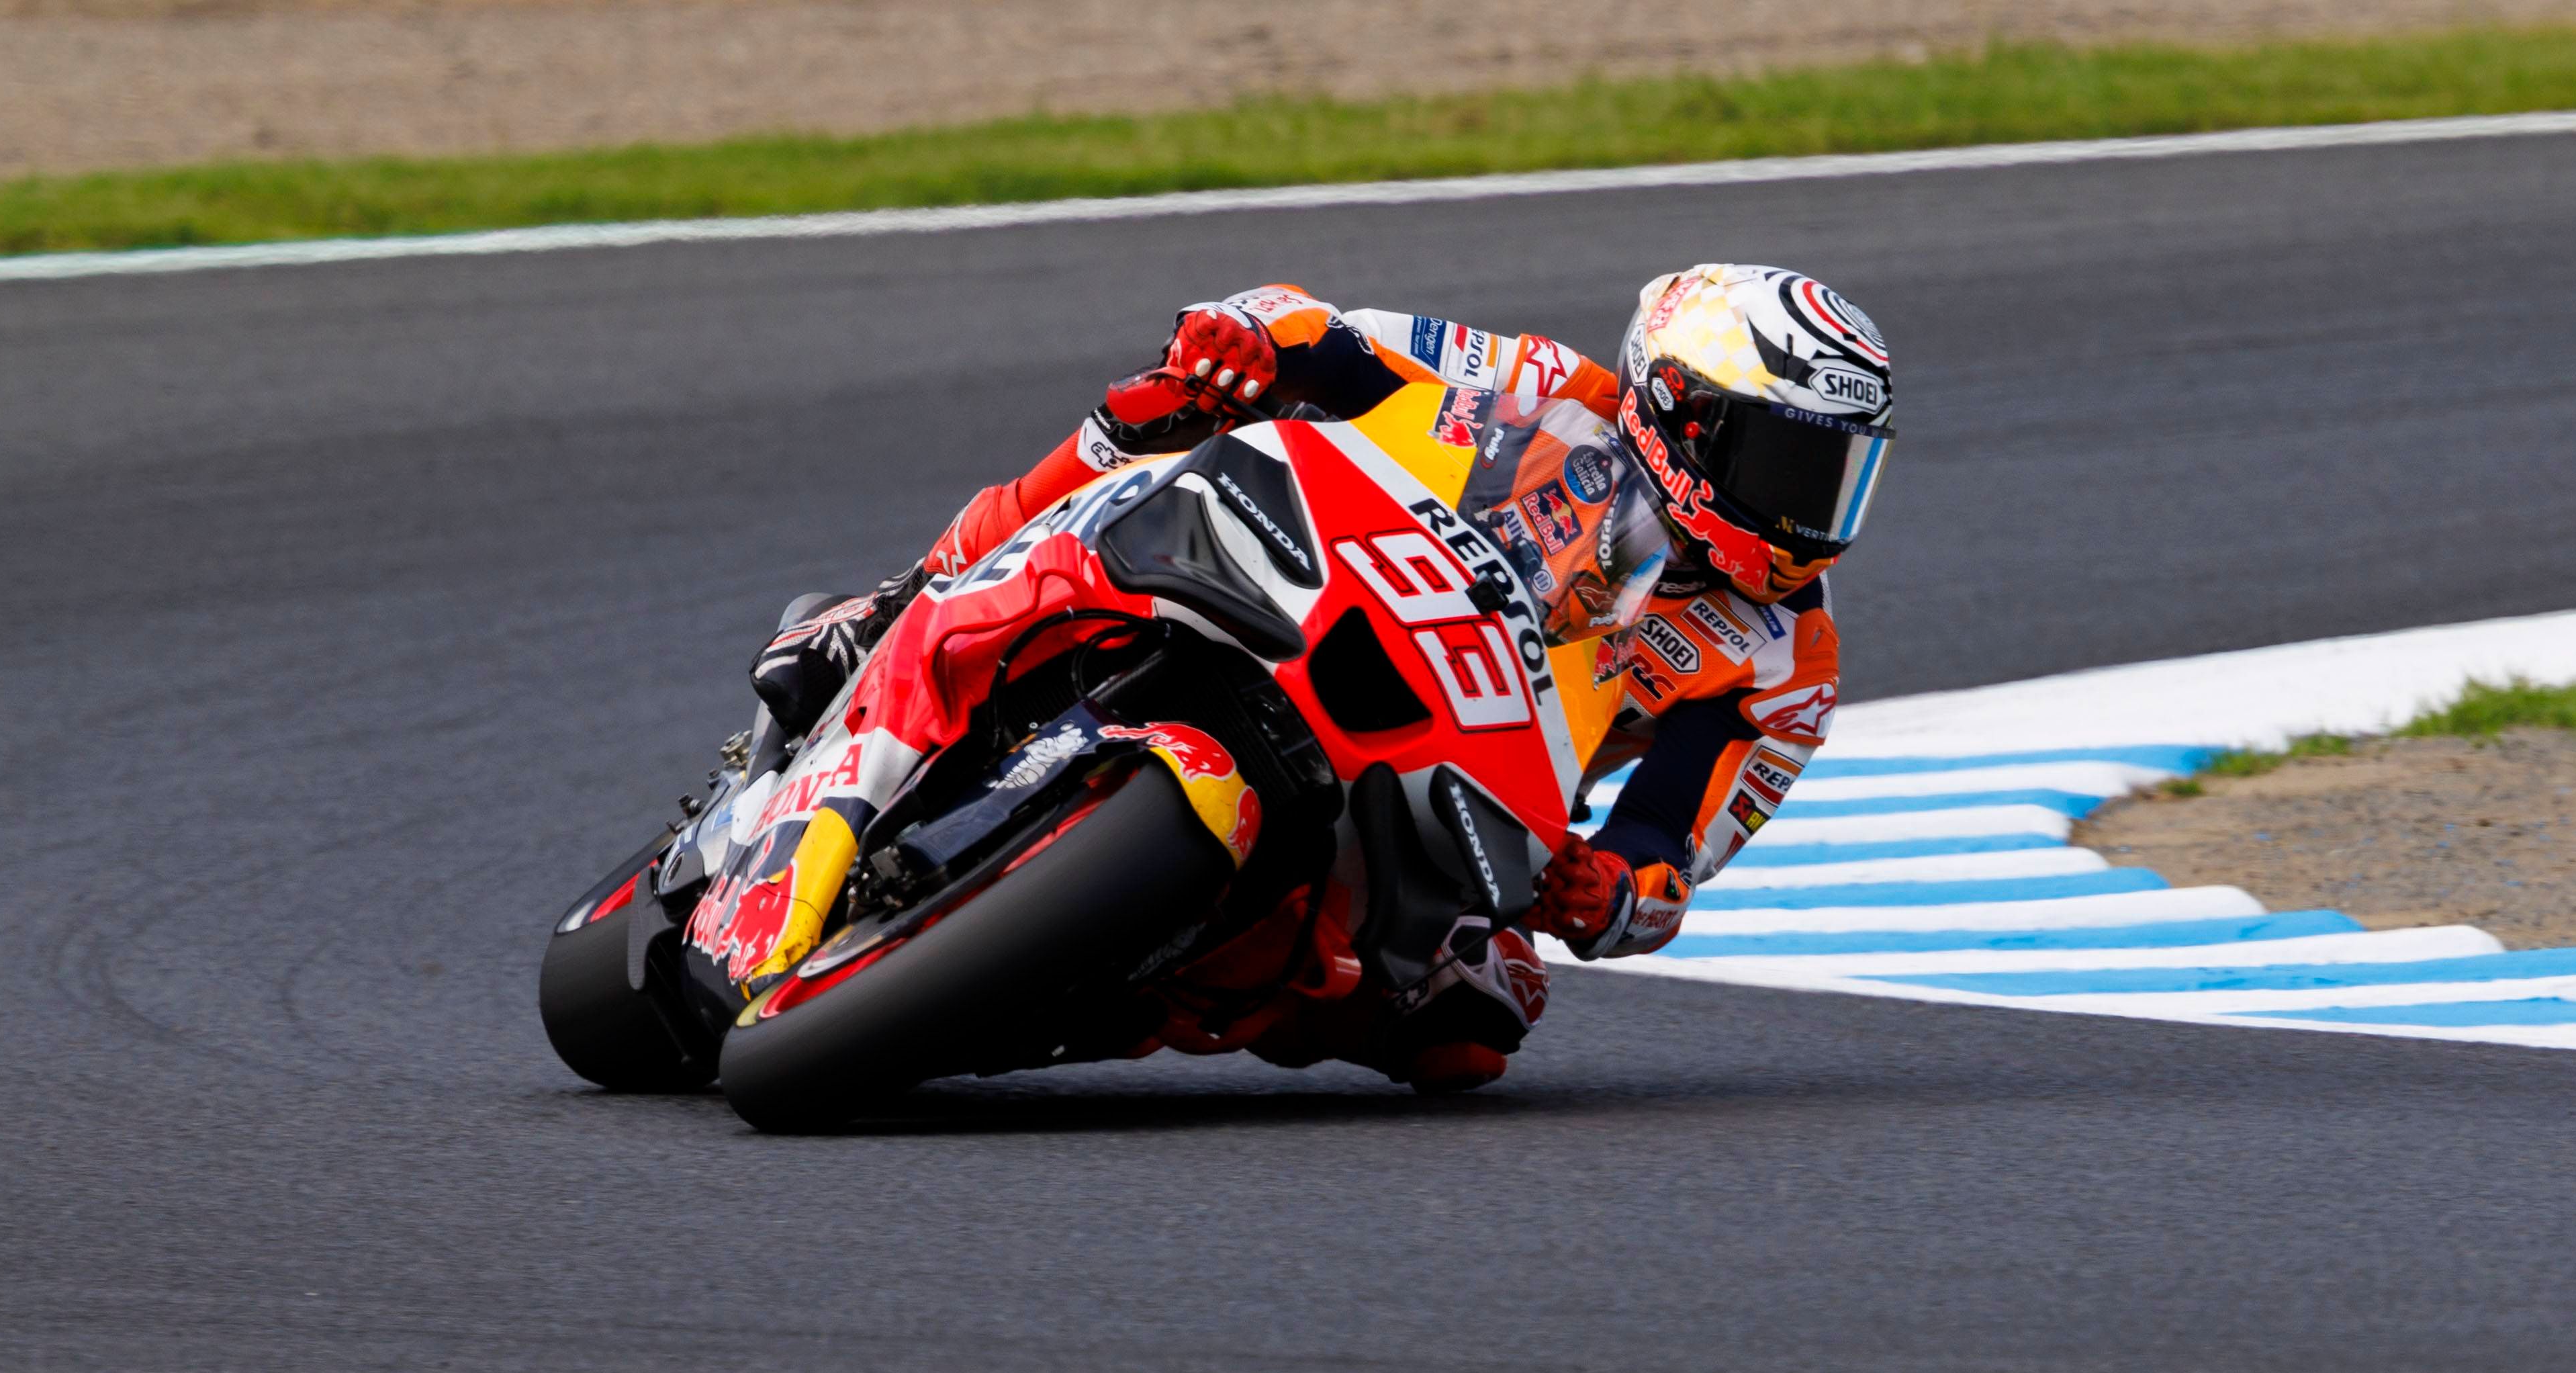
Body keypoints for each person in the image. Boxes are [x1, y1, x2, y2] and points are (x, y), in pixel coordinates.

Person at [747, 265, 1892, 1090]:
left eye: (1838, 476)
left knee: (1476, 1028)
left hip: (1469, 766)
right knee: (1158, 414)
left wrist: (1612, 893)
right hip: (1321, 592)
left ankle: (1087, 990)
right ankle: (901, 604)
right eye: (1789, 461)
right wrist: (1246, 344)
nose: (1811, 510)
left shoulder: (1786, 660)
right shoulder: (1546, 387)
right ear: (1684, 413)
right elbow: (1328, 336)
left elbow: (1667, 852)